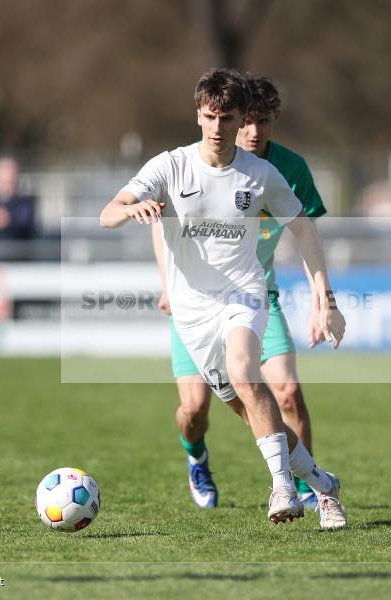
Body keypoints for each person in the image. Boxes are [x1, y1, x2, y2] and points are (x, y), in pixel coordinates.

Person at [101, 68, 347, 529]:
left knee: (245, 371)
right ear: (198, 115)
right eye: (210, 116)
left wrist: (326, 301)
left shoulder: (261, 174)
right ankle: (323, 483)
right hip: (192, 312)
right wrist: (131, 208)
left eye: (227, 117)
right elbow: (107, 213)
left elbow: (305, 230)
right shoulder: (169, 166)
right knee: (250, 409)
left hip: (243, 293)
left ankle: (281, 487)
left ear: (240, 120)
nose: (218, 126)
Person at [153, 75, 327, 512]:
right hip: (194, 302)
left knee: (281, 390)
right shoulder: (186, 165)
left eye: (257, 122)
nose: (248, 131)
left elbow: (307, 232)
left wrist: (325, 302)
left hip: (253, 296)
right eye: (240, 122)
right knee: (195, 409)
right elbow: (159, 221)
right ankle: (198, 457)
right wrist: (167, 285)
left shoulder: (281, 170)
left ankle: (302, 490)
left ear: (271, 121)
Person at [0, 156, 36, 241]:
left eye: (12, 182)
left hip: (21, 252)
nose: (8, 187)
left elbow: (24, 220)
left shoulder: (26, 203)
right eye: (4, 182)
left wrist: (8, 219)